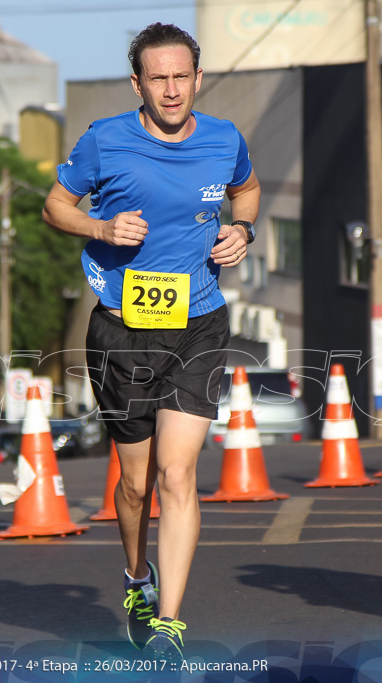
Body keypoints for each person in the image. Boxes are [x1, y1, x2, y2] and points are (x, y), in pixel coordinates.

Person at [42, 23, 260, 662]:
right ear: (137, 83)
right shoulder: (105, 140)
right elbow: (56, 206)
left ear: (198, 77)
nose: (171, 89)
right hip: (122, 328)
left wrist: (242, 230)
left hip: (198, 323)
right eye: (157, 78)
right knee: (134, 485)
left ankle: (169, 624)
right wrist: (101, 227)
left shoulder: (225, 140)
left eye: (181, 76)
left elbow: (245, 190)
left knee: (178, 472)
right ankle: (138, 577)